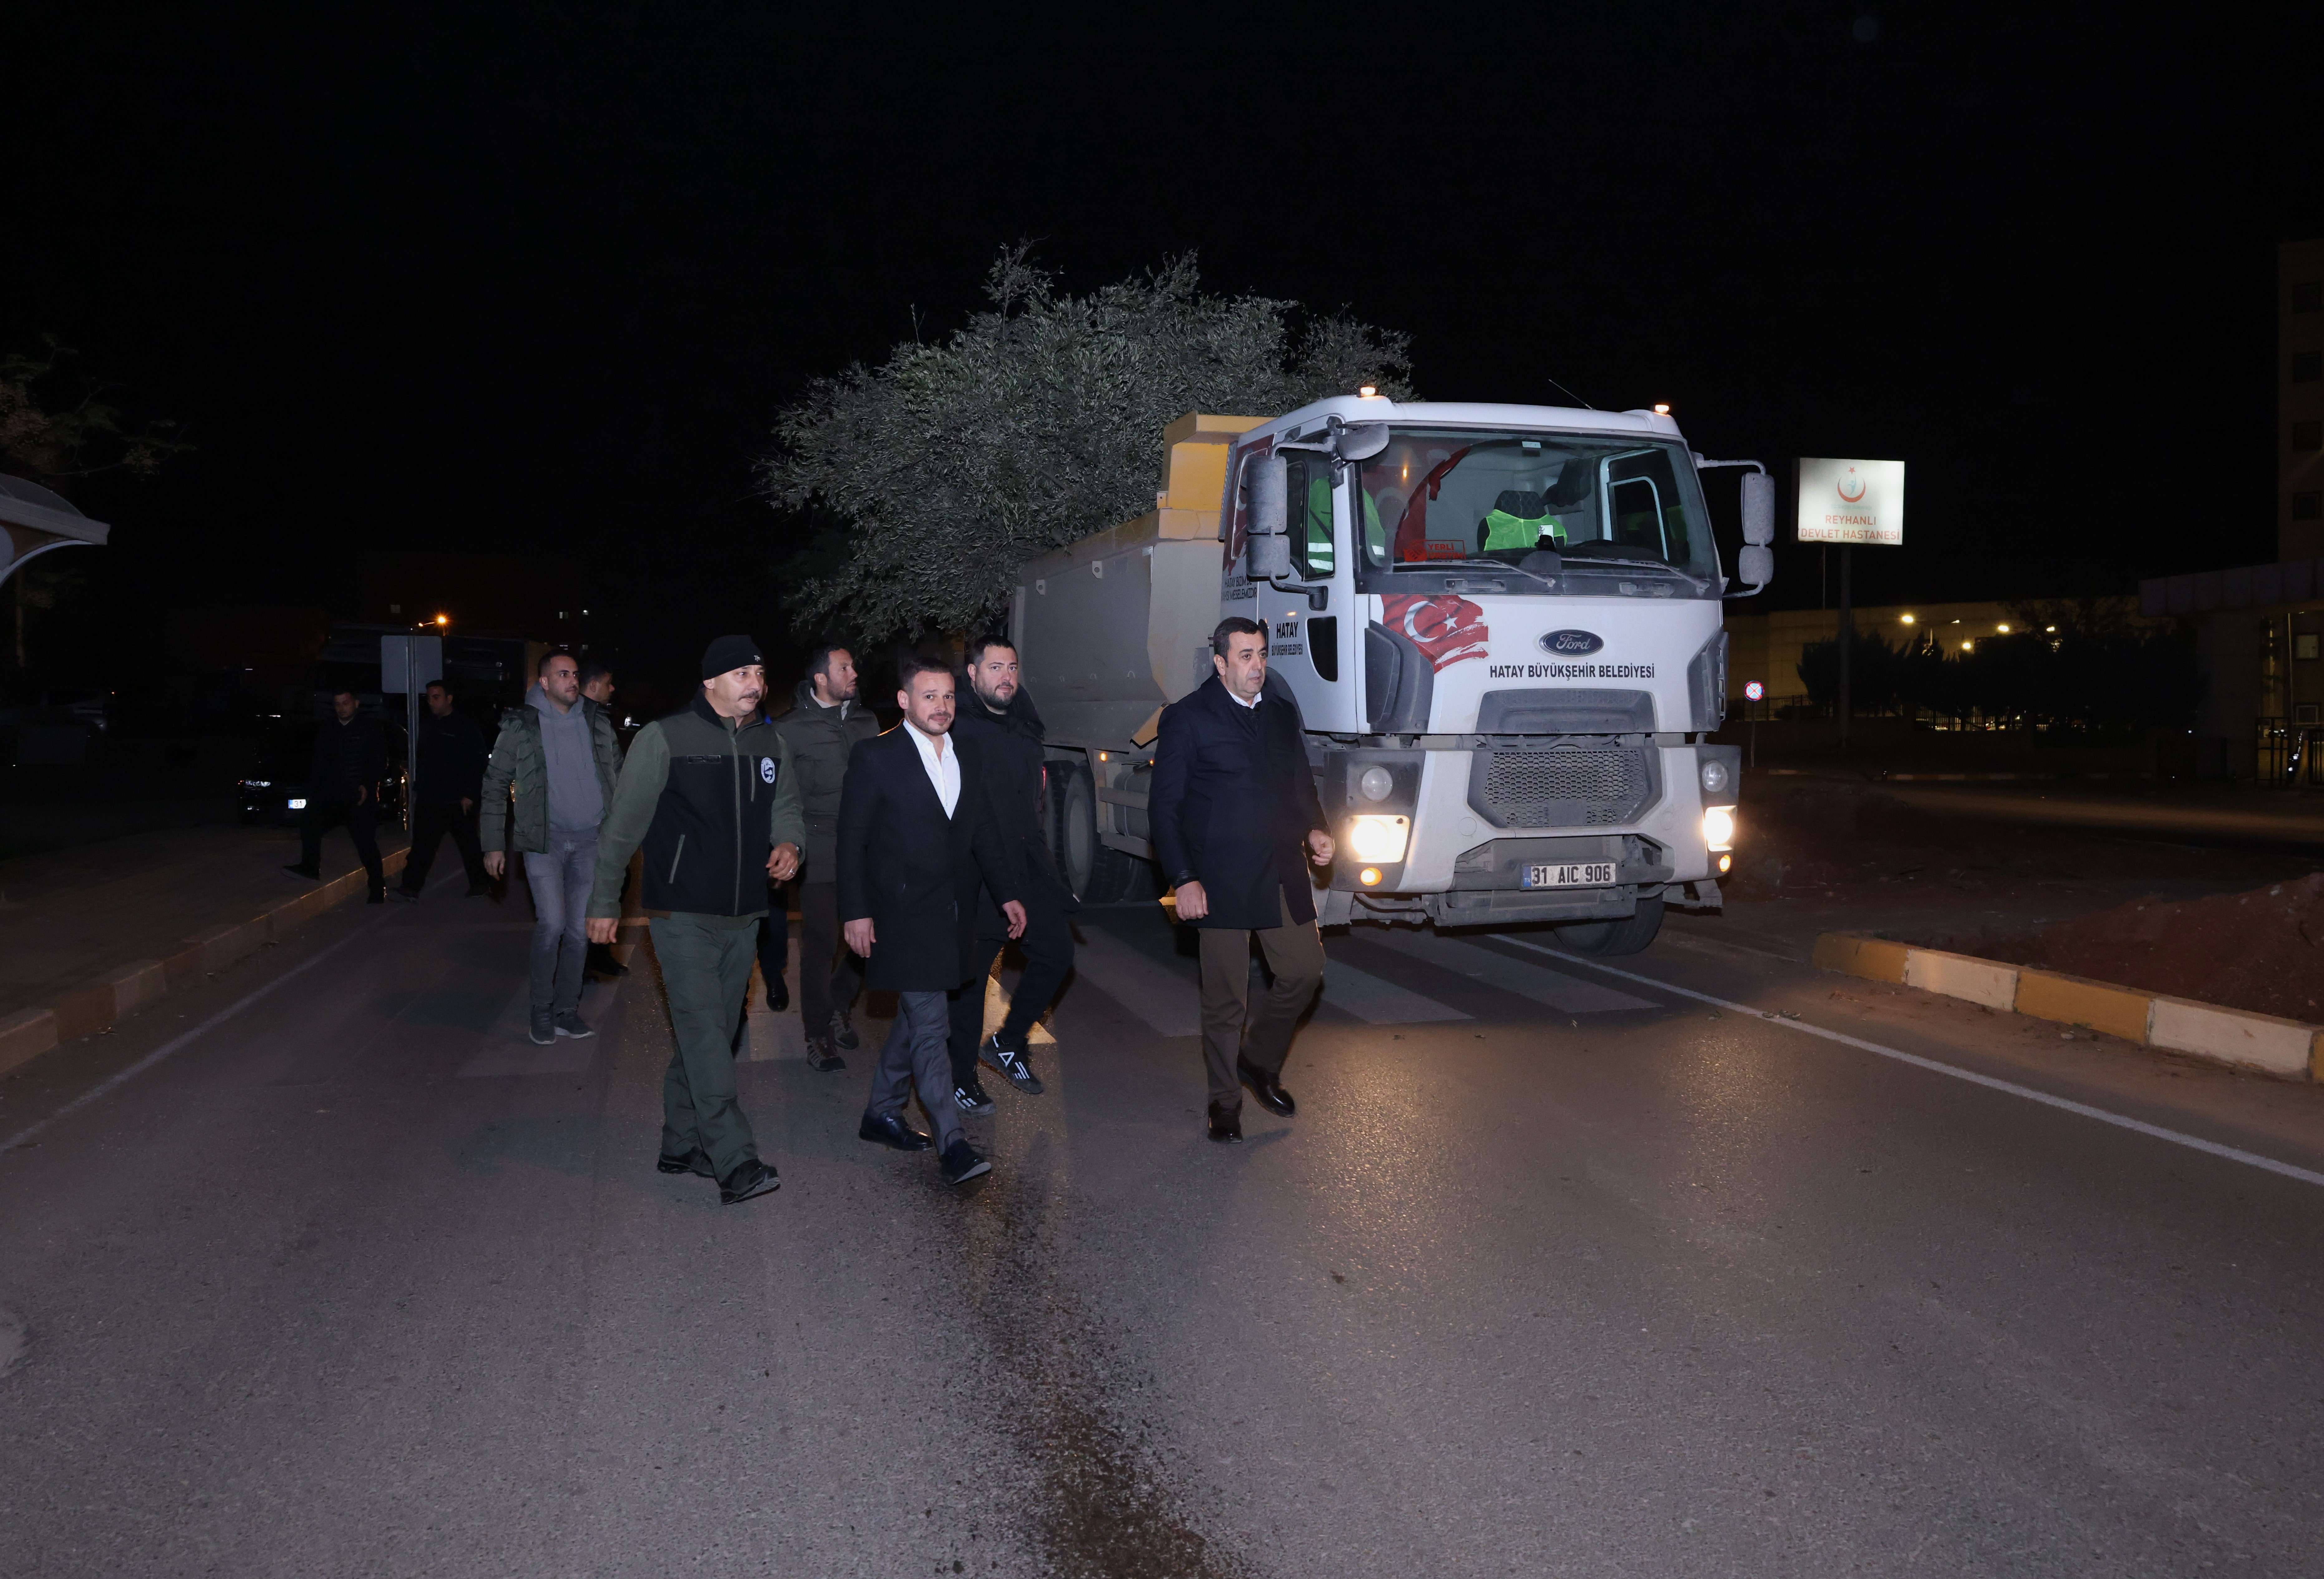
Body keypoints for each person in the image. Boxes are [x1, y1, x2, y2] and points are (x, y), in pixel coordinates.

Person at [585, 636, 802, 1207]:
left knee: (712, 1033)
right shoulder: (664, 738)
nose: (755, 682)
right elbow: (622, 827)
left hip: (745, 912)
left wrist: (789, 843)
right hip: (680, 913)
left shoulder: (769, 740)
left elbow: (787, 807)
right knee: (707, 1032)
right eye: (741, 673)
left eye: (759, 670)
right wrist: (605, 901)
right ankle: (734, 1159)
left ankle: (682, 1142)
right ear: (710, 682)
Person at [837, 653, 1024, 1187]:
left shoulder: (968, 749)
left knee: (918, 1015)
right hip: (901, 912)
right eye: (928, 696)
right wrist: (855, 910)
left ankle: (881, 1111)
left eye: (947, 696)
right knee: (932, 1025)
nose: (941, 706)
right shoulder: (876, 757)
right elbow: (851, 841)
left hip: (954, 910)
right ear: (904, 700)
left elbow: (983, 829)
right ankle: (952, 1142)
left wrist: (1007, 893)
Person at [1147, 617, 1335, 1143]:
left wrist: (1316, 829)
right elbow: (1165, 809)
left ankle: (1258, 1059)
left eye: (1261, 654)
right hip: (1219, 876)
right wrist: (1183, 877)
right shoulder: (1188, 718)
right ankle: (1224, 1102)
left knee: (1305, 968)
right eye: (1245, 656)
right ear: (1221, 662)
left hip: (1279, 865)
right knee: (1227, 999)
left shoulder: (1278, 713)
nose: (1257, 666)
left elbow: (1299, 782)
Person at [944, 634, 1074, 1113]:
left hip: (1027, 863)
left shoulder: (1025, 726)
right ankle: (960, 1078)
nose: (1007, 677)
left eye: (1013, 667)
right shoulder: (957, 729)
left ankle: (1008, 1040)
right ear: (973, 675)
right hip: (979, 871)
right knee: (972, 981)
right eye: (995, 667)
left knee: (1058, 951)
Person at [480, 651, 622, 1046]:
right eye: (563, 674)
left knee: (580, 931)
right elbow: (494, 784)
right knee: (553, 925)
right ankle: (541, 1011)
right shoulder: (521, 725)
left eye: (575, 674)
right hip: (545, 842)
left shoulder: (595, 721)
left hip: (592, 839)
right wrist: (493, 844)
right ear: (544, 682)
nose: (572, 681)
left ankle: (566, 1010)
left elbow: (621, 775)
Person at [770, 643, 878, 1073]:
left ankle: (839, 1001)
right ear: (820, 678)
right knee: (821, 943)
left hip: (868, 849)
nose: (854, 672)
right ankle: (817, 1031)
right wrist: (784, 845)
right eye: (844, 666)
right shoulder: (790, 729)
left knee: (869, 938)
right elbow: (781, 797)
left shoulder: (869, 721)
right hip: (819, 850)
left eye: (853, 664)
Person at [282, 686, 387, 902]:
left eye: (345, 703)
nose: (341, 708)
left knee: (365, 843)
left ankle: (377, 887)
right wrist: (312, 792)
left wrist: (368, 784)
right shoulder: (329, 729)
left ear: (356, 703)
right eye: (337, 704)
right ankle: (310, 867)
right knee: (310, 823)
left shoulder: (370, 729)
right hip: (331, 796)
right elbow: (319, 762)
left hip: (358, 798)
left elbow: (378, 761)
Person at [395, 679, 490, 900]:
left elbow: (478, 764)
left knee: (469, 846)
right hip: (430, 799)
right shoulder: (429, 726)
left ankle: (480, 882)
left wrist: (470, 793)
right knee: (421, 847)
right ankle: (410, 887)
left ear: (449, 698)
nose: (431, 702)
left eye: (436, 697)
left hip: (458, 801)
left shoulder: (466, 728)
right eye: (429, 698)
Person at [576, 660, 629, 978]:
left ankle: (597, 954)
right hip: (587, 823)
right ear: (593, 685)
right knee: (590, 892)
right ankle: (582, 961)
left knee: (614, 885)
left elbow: (616, 767)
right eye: (608, 683)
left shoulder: (599, 720)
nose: (612, 689)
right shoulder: (577, 719)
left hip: (606, 818)